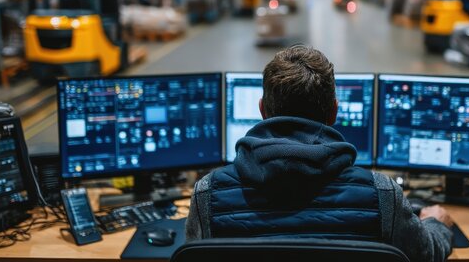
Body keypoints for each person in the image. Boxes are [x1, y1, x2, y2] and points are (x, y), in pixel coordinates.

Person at [185, 45, 453, 262]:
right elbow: (426, 255)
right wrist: (436, 224)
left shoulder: (206, 195)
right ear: (334, 112)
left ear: (262, 110)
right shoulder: (384, 195)